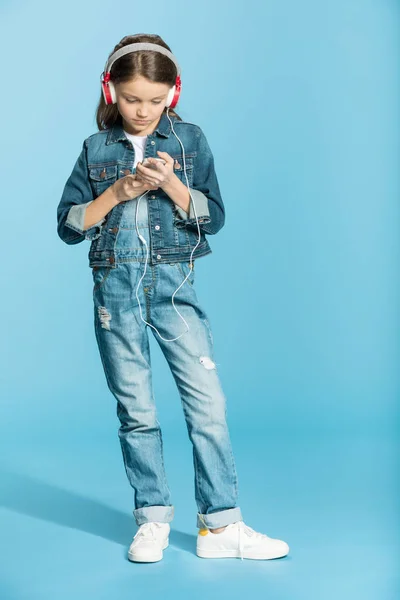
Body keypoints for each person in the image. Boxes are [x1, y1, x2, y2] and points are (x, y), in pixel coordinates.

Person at [56, 33, 290, 564]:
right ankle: (153, 519)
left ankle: (220, 526)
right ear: (111, 90)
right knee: (136, 410)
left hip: (173, 292)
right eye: (133, 98)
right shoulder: (95, 149)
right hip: (114, 296)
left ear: (173, 95)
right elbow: (69, 226)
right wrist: (116, 194)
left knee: (209, 405)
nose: (143, 111)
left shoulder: (190, 142)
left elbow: (216, 215)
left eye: (155, 100)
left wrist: (173, 188)